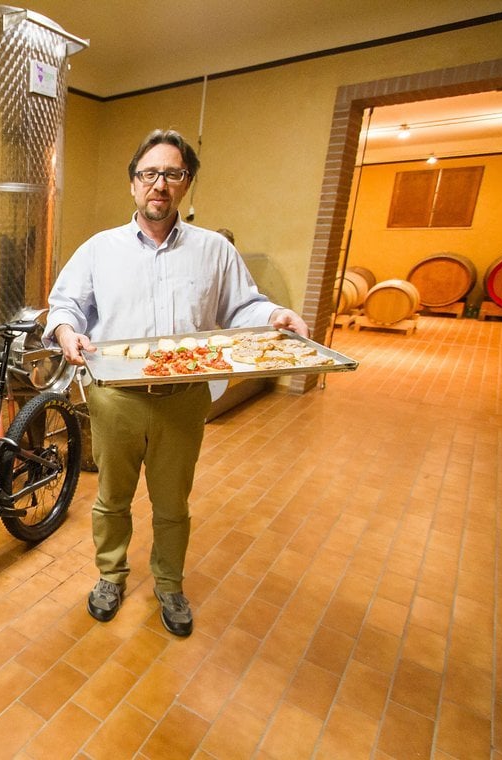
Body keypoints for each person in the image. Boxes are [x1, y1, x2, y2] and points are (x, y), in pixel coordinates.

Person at [44, 129, 308, 636]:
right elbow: (66, 304)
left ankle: (168, 584)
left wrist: (275, 313)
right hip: (116, 397)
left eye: (172, 173)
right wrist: (65, 330)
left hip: (184, 399)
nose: (159, 184)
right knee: (111, 499)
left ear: (185, 184)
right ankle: (110, 576)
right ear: (133, 184)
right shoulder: (100, 249)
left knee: (171, 504)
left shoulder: (214, 251)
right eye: (149, 174)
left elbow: (243, 305)